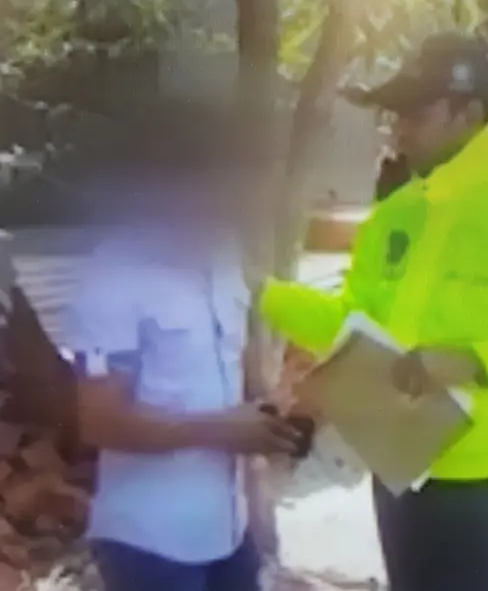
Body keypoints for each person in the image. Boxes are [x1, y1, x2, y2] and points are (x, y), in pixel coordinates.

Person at [257, 33, 488, 591]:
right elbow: (355, 325)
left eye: (416, 114)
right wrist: (260, 293)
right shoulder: (396, 215)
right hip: (399, 482)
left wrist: (475, 360)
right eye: (394, 114)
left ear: (467, 112)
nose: (399, 130)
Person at [55, 146, 306, 591]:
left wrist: (273, 427)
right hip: (150, 544)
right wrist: (221, 430)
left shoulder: (226, 255)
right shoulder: (113, 275)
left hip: (231, 533)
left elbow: (244, 379)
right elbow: (98, 420)